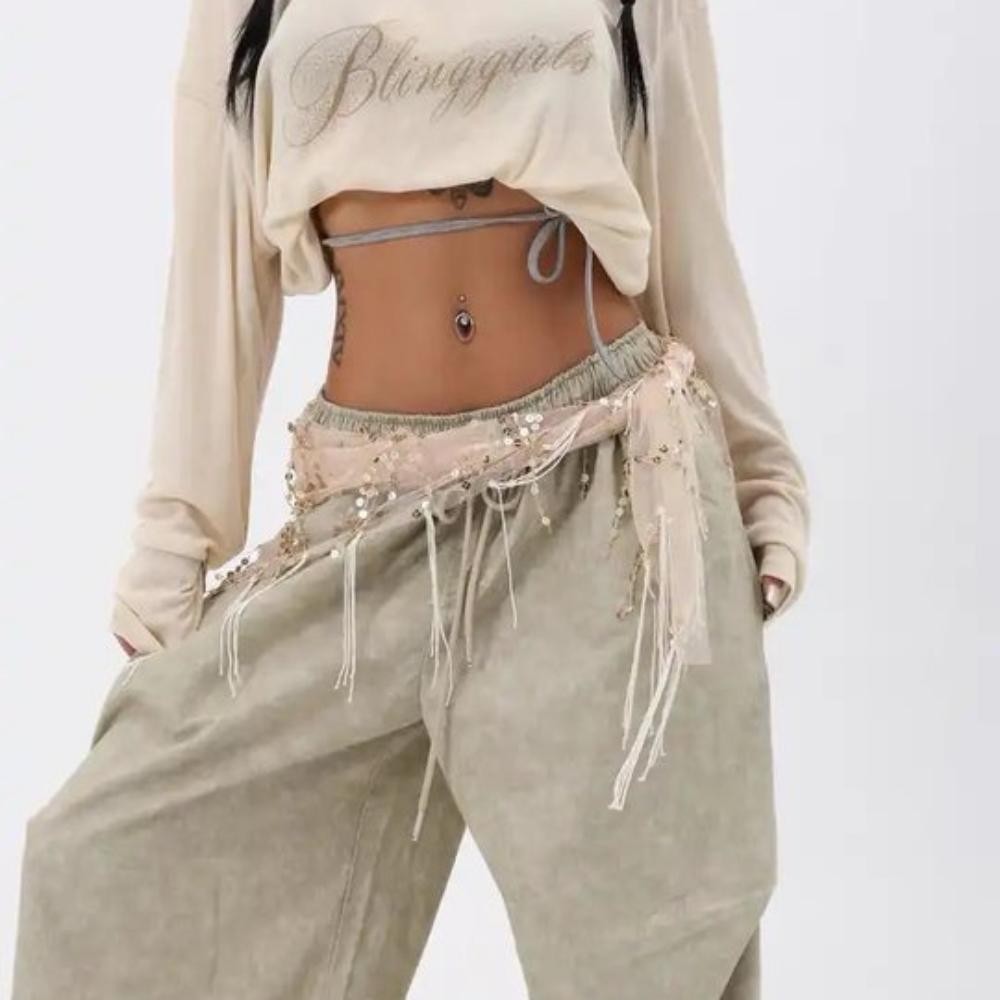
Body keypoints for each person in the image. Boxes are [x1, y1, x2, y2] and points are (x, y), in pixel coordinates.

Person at [11, 1, 810, 997]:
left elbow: (689, 221)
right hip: (366, 525)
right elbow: (214, 271)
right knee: (97, 859)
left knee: (648, 953)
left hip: (604, 491)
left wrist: (761, 475)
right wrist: (175, 540)